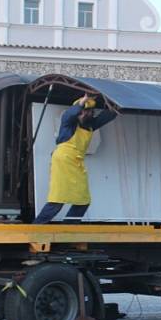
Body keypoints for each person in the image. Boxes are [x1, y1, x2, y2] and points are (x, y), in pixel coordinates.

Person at [34, 95, 118, 224]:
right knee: (58, 199)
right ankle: (36, 228)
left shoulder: (90, 125)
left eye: (88, 111)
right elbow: (69, 114)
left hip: (77, 162)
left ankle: (68, 227)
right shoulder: (68, 123)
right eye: (82, 111)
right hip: (63, 161)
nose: (85, 113)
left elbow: (109, 114)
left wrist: (113, 102)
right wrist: (81, 102)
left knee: (83, 200)